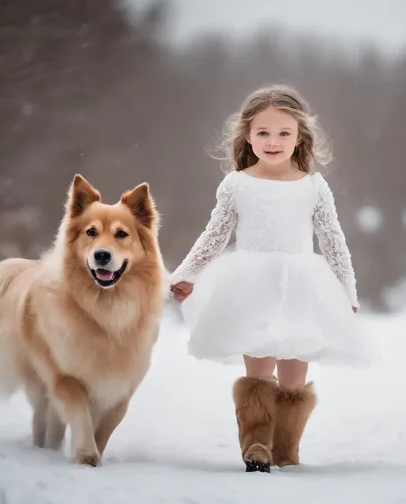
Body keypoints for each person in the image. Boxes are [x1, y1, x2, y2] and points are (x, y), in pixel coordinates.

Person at [168, 84, 373, 473]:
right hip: (252, 284)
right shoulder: (236, 184)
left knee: (294, 375)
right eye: (263, 132)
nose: (273, 141)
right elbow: (215, 235)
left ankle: (286, 450)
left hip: (302, 285)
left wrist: (348, 290)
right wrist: (187, 274)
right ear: (247, 135)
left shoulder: (313, 186)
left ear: (300, 137)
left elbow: (333, 242)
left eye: (284, 133)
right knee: (259, 366)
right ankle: (256, 446)